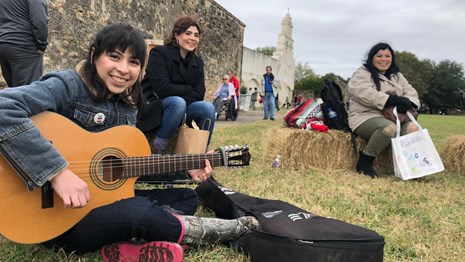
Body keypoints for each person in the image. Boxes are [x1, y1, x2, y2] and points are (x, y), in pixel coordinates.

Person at [0, 23, 258, 259]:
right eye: (114, 56)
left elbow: (131, 166)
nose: (123, 69)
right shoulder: (68, 85)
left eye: (133, 62)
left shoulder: (128, 106)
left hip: (100, 207)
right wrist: (56, 172)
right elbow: (4, 107)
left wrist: (186, 166)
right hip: (57, 221)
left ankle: (129, 246)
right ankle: (220, 231)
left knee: (186, 199)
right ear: (94, 56)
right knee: (138, 211)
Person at [137, 16, 215, 155]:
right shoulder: (160, 53)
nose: (193, 38)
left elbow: (199, 94)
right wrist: (188, 89)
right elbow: (162, 88)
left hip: (180, 107)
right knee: (177, 103)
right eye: (188, 33)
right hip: (154, 105)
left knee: (208, 107)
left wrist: (181, 92)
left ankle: (201, 151)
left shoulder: (197, 62)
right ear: (176, 35)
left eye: (196, 35)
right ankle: (158, 149)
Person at [348, 42, 420, 178]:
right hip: (365, 116)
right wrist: (391, 100)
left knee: (412, 128)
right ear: (372, 58)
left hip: (395, 115)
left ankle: (410, 167)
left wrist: (408, 103)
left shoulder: (397, 76)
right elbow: (362, 92)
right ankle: (365, 162)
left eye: (387, 56)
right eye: (379, 56)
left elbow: (411, 92)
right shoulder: (362, 73)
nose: (383, 59)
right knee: (389, 129)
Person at [0, 0, 49, 87]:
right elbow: (40, 20)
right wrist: (42, 45)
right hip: (24, 46)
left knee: (14, 94)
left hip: (3, 45)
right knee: (29, 93)